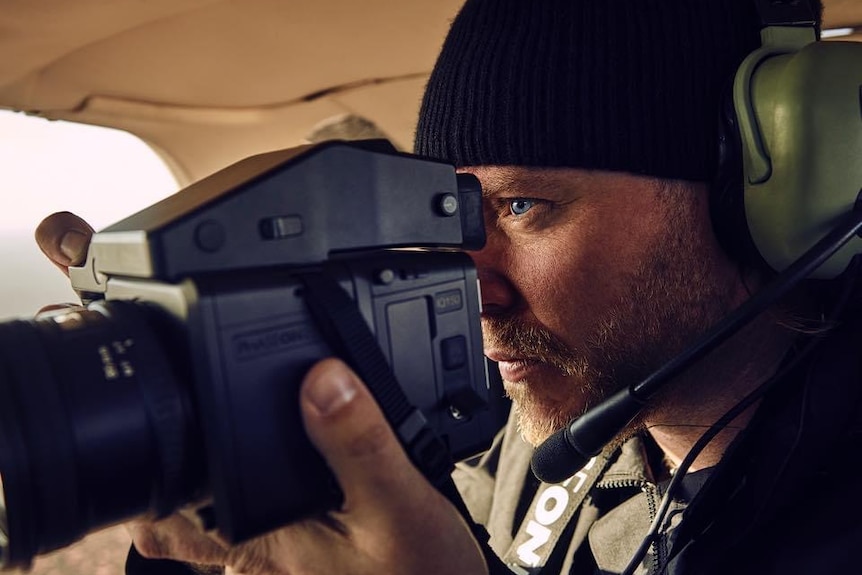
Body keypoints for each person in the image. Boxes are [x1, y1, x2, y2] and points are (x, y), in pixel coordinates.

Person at [33, 0, 862, 573]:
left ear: (763, 196)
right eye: (452, 220)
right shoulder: (511, 437)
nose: (472, 289)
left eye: (523, 206)